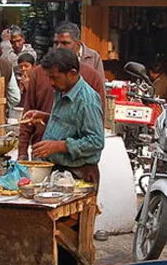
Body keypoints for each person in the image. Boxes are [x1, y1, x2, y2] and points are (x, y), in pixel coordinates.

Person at [22, 48, 105, 184]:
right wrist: (45, 117)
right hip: (59, 172)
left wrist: (60, 146)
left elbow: (96, 141)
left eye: (55, 78)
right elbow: (71, 123)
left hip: (78, 175)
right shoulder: (62, 91)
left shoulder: (87, 100)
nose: (51, 83)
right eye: (49, 77)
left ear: (72, 73)